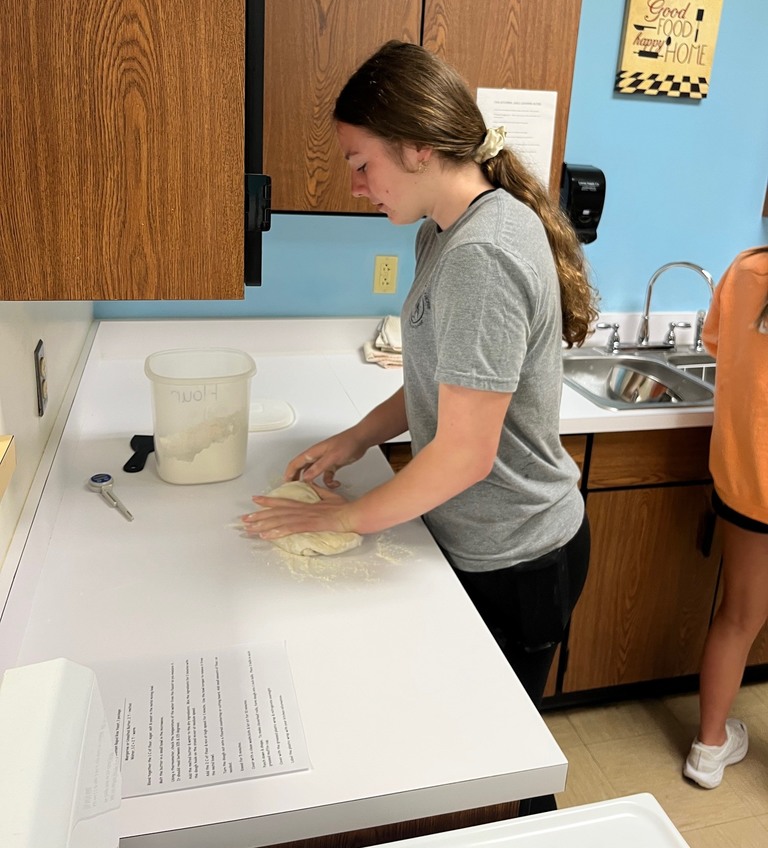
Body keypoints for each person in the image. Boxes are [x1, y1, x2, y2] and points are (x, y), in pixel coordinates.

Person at [242, 39, 596, 752]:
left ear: (418, 148)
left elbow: (464, 453)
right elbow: (441, 376)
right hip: (489, 544)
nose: (355, 184)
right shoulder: (446, 232)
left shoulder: (481, 254)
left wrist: (345, 522)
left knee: (495, 762)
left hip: (517, 558)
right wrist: (356, 437)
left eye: (360, 162)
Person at [683, 246, 768, 789]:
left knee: (738, 615)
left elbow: (716, 343)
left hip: (749, 480)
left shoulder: (747, 270)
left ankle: (708, 750)